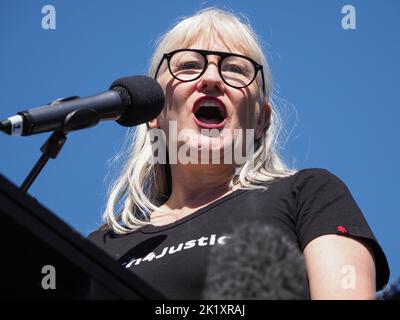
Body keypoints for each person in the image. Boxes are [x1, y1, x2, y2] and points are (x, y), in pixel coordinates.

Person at [88, 8, 389, 299]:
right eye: (189, 65)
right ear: (154, 112)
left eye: (234, 69)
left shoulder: (308, 194)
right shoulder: (100, 246)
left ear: (261, 119)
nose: (211, 78)